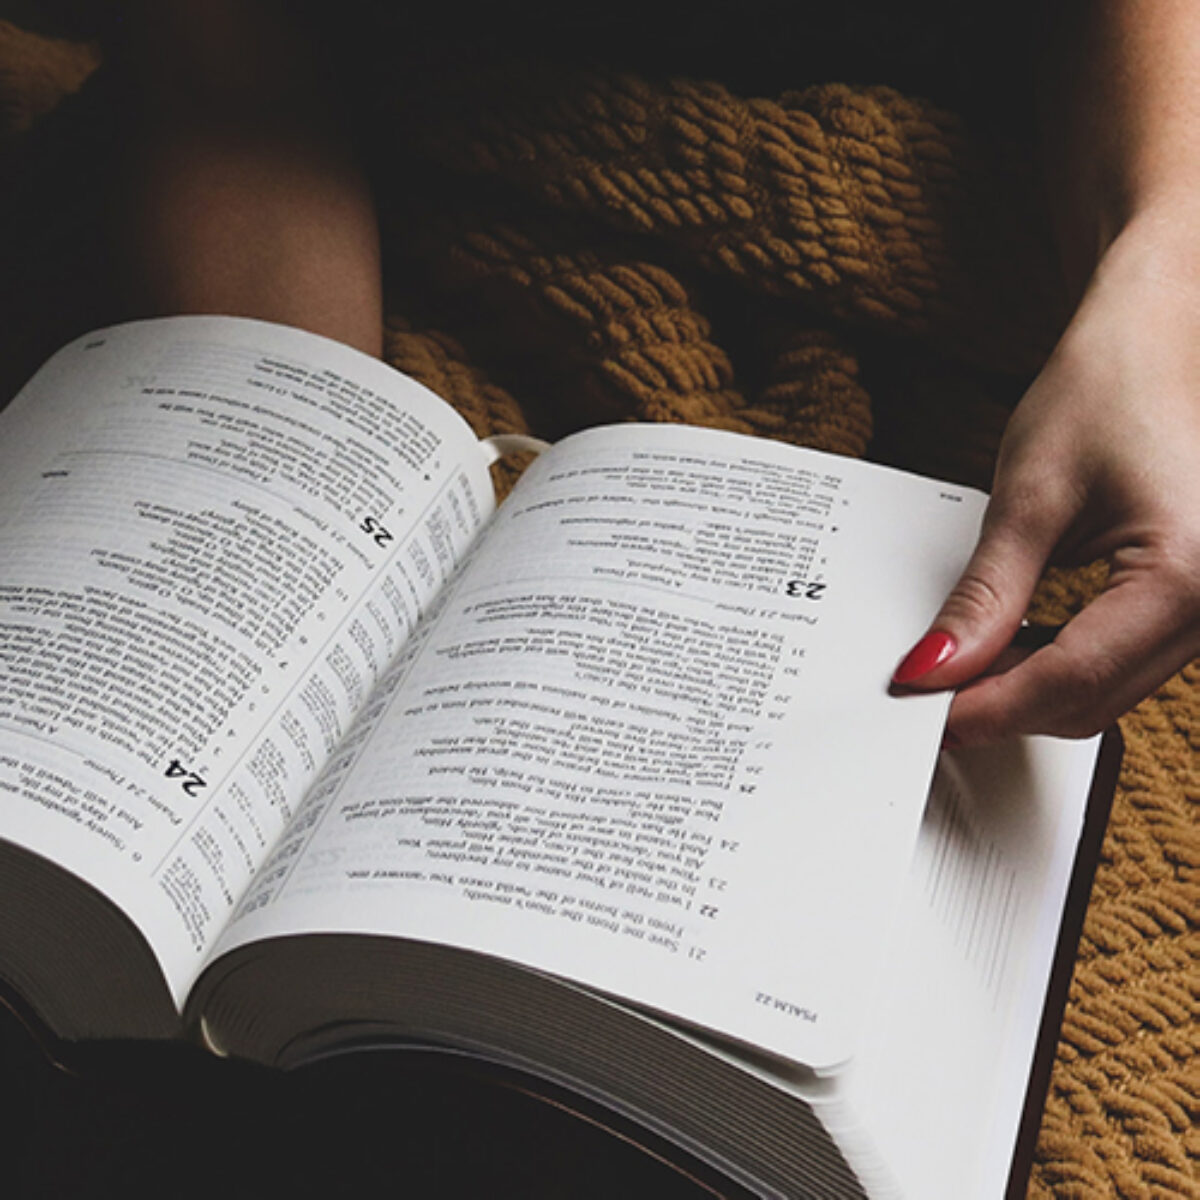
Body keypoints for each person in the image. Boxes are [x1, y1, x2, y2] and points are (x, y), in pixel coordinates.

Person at [110, 0, 1200, 745]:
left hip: (1006, 226)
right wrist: (297, 500)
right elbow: (230, 75)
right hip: (391, 186)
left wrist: (1162, 278)